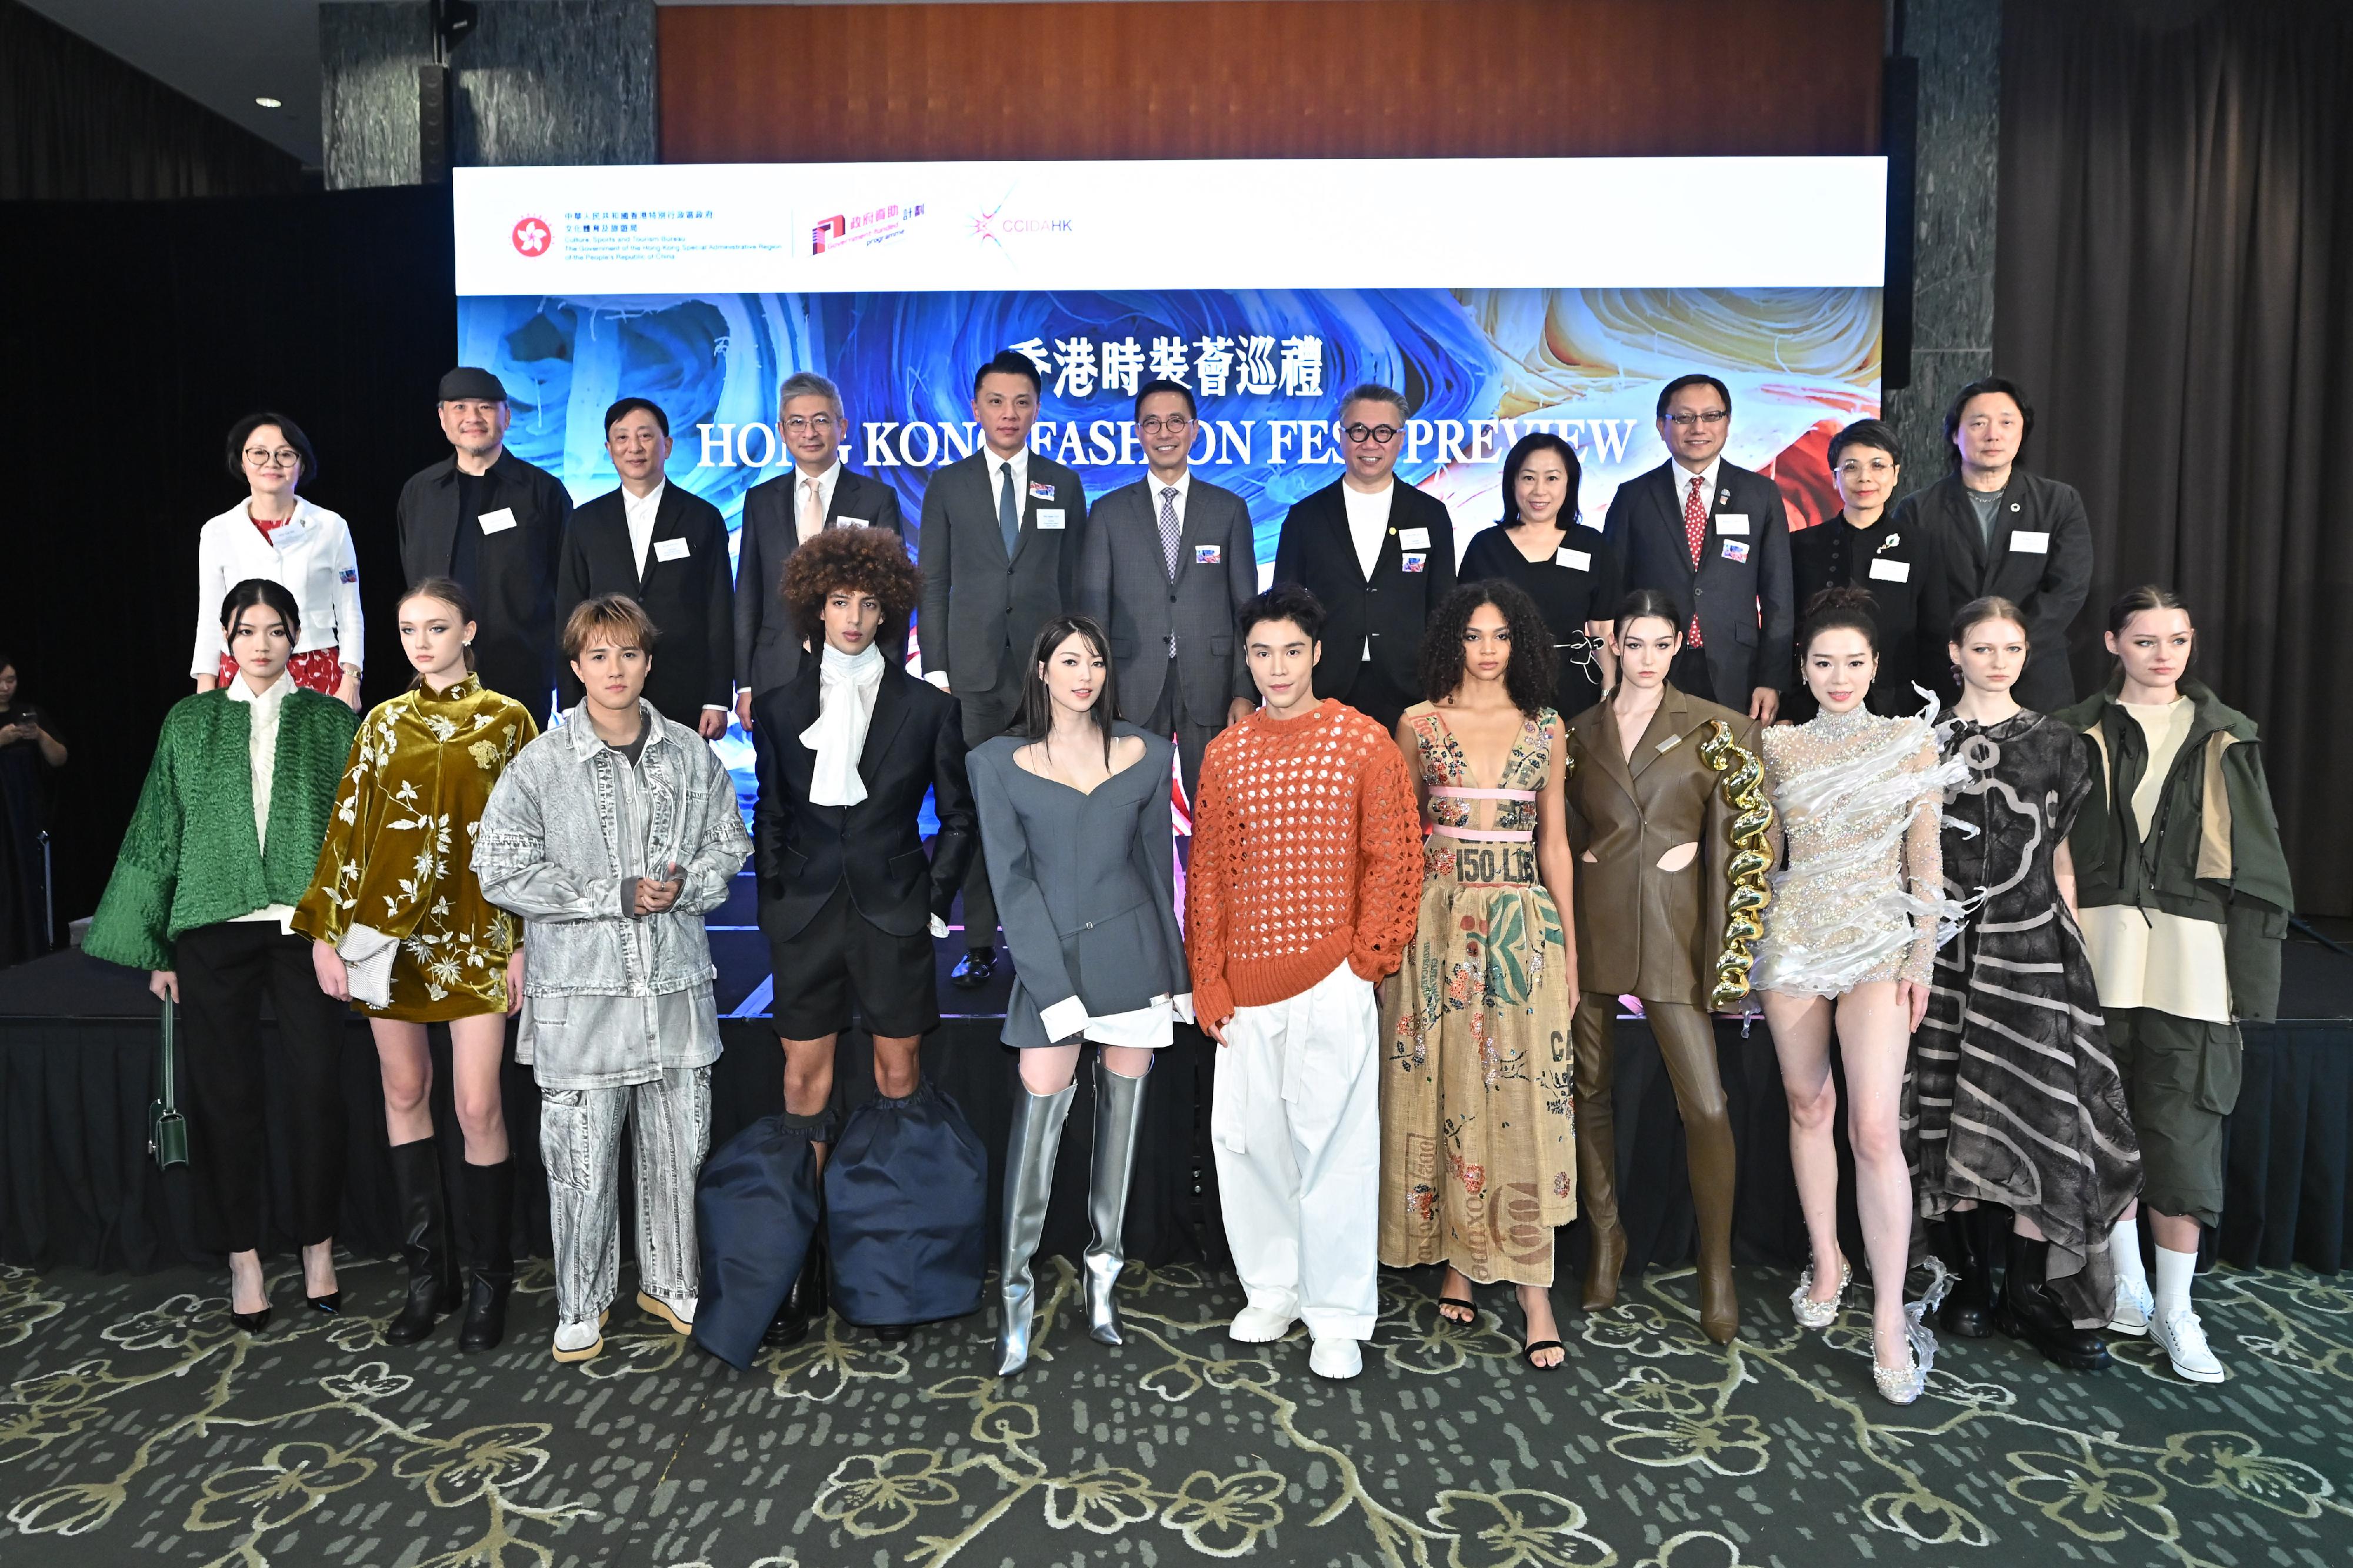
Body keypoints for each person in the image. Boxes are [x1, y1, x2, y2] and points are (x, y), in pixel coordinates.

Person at [475, 594, 752, 1364]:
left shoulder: (691, 756)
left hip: (674, 991)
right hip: (582, 998)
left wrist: (687, 882)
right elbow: (498, 867)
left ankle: (672, 1279)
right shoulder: (542, 761)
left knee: (681, 1148)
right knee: (581, 1160)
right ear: (575, 668)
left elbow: (732, 844)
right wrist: (610, 895)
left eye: (629, 653)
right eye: (598, 655)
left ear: (649, 662)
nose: (615, 668)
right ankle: (581, 1299)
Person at [84, 580, 359, 1329]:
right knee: (227, 1099)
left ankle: (317, 1248)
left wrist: (342, 928)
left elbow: (353, 833)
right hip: (211, 928)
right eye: (247, 630)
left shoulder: (332, 720)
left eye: (276, 629)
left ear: (297, 637)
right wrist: (157, 944)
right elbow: (158, 827)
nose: (262, 644)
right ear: (227, 640)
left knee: (315, 1093)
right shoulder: (190, 720)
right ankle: (242, 1258)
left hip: (304, 931)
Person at [296, 577, 539, 1353]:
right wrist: (324, 932)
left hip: (477, 933)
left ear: (469, 628)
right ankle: (430, 1279)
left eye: (438, 626)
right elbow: (350, 827)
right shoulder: (381, 721)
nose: (423, 641)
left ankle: (490, 1279)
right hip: (386, 934)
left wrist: (530, 939)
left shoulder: (510, 720)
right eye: (408, 629)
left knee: (477, 1105)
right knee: (404, 1089)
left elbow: (539, 833)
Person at [2056, 586, 2292, 1384]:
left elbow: (2261, 876)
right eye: (2147, 639)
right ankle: (2124, 1282)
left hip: (2193, 965)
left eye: (2178, 639)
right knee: (2106, 1129)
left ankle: (2176, 1309)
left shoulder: (2227, 738)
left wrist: (2251, 989)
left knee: (2184, 1137)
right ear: (2112, 643)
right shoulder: (2073, 730)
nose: (2164, 655)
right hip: (2097, 954)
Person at [1187, 584, 1421, 1380]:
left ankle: (1338, 1313)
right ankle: (1275, 1288)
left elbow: (1394, 857)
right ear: (1244, 658)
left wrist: (1365, 959)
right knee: (1249, 1147)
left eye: (1291, 651)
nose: (1277, 668)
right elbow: (1210, 873)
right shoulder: (1227, 752)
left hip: (1331, 975)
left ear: (1317, 653)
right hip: (1246, 985)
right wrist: (1208, 979)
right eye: (1261, 652)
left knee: (1336, 1151)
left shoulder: (1363, 743)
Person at [752, 526, 980, 1345]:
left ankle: (891, 1269)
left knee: (896, 1076)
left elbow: (959, 816)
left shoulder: (930, 707)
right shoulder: (778, 706)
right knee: (803, 1088)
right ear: (817, 605)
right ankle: (797, 1275)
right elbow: (772, 810)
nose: (853, 616)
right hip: (805, 918)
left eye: (869, 602)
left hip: (893, 914)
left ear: (891, 610)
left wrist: (934, 903)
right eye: (840, 601)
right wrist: (775, 894)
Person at [1910, 596, 2140, 1374]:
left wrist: (2070, 946)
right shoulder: (1922, 743)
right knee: (1949, 1103)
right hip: (1942, 952)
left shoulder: (2059, 744)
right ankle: (1971, 1276)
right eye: (1983, 646)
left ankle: (2025, 1288)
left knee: (2034, 1106)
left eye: (2011, 646)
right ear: (1955, 652)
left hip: (2031, 950)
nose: (1998, 659)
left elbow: (2062, 858)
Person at [1751, 588, 1967, 1403]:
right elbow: (1765, 858)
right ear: (1802, 670)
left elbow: (1927, 862)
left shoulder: (1910, 741)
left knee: (1874, 1126)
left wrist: (1921, 961)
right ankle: (1828, 1255)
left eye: (1853, 662)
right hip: (1797, 939)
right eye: (1822, 663)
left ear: (1876, 667)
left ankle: (1886, 1315)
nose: (1838, 676)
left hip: (1880, 941)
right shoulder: (1779, 747)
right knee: (1808, 1105)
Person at [969, 615, 1190, 1374]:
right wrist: (1050, 985)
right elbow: (1011, 883)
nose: (1084, 673)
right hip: (1048, 966)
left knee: (1120, 1137)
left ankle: (1105, 1282)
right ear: (1040, 670)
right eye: (1068, 660)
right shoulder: (995, 761)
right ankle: (1017, 1298)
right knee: (1037, 1128)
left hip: (1132, 957)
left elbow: (1159, 872)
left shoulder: (1148, 752)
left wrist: (1179, 975)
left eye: (1095, 659)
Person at [1378, 581, 1579, 1371]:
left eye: (1501, 635)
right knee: (1450, 1085)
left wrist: (1570, 949)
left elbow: (1555, 843)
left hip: (1523, 929)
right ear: (1451, 642)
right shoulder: (1420, 724)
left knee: (1525, 1094)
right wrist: (1391, 943)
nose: (1488, 649)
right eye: (1473, 634)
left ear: (1520, 642)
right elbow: (1398, 840)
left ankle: (1535, 1286)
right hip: (1437, 925)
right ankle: (1456, 1259)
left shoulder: (1548, 727)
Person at [1561, 588, 1765, 1345]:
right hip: (1595, 922)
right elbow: (1566, 826)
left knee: (1705, 1104)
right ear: (1611, 643)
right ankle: (1606, 1238)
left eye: (1657, 643)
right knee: (1590, 1088)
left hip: (1675, 932)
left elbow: (1756, 836)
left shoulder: (1718, 725)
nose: (1643, 658)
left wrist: (1695, 858)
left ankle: (1717, 1267)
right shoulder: (1577, 732)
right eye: (1631, 643)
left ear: (1678, 644)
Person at [918, 349, 1089, 990]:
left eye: (1021, 401)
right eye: (996, 401)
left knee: (1053, 813)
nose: (1009, 413)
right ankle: (982, 941)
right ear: (976, 408)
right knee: (983, 812)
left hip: (1046, 681)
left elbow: (1075, 585)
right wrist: (936, 669)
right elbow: (932, 584)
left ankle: (1054, 942)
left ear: (1037, 408)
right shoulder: (949, 484)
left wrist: (1078, 672)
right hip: (972, 679)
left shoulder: (1063, 482)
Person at [1074, 378, 1259, 805]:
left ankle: (1212, 878)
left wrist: (1245, 690)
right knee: (1136, 811)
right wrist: (1097, 692)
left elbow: (1245, 611)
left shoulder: (1229, 509)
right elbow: (1093, 612)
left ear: (1195, 430)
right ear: (1138, 433)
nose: (1164, 433)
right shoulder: (1108, 512)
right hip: (1130, 686)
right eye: (1152, 423)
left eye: (1176, 421)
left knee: (1218, 812)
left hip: (1213, 687)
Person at [1889, 378, 2092, 713]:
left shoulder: (2058, 502)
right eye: (1979, 423)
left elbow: (2067, 590)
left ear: (2022, 432)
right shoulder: (1918, 509)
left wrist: (2016, 650)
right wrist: (1962, 653)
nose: (1993, 434)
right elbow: (1907, 598)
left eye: (2006, 422)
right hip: (1946, 678)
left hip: (2035, 676)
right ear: (1955, 434)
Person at [1600, 375, 1793, 723]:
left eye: (1711, 416)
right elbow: (1615, 592)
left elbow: (1779, 596)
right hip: (1654, 665)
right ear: (1662, 426)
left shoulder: (1760, 494)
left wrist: (1772, 679)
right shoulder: (1633, 497)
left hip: (1737, 668)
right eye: (1684, 417)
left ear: (1728, 423)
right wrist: (1614, 674)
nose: (1698, 427)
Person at [1271, 383, 1457, 731]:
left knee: (1403, 786)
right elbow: (1285, 610)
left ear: (1401, 439)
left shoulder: (1429, 515)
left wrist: (1444, 682)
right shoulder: (1306, 517)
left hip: (1409, 688)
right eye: (1358, 431)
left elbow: (1445, 607)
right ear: (1341, 437)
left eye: (1383, 432)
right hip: (1325, 687)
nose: (1370, 443)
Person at [395, 367, 575, 720]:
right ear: (442, 418)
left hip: (521, 674)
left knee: (523, 774)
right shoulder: (420, 492)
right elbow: (411, 579)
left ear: (506, 417)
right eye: (460, 407)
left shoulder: (543, 492)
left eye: (486, 408)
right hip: (438, 672)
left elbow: (569, 587)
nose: (473, 418)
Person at [734, 370, 909, 728]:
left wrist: (890, 679)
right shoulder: (761, 500)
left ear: (842, 427)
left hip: (854, 667)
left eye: (821, 421)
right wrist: (745, 684)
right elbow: (749, 594)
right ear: (782, 432)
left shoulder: (877, 499)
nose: (809, 433)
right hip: (776, 669)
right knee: (778, 780)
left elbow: (894, 598)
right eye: (797, 422)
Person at [555, 398, 733, 736]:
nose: (634, 448)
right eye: (622, 438)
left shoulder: (702, 518)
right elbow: (568, 611)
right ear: (609, 449)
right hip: (606, 689)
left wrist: (717, 698)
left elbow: (720, 610)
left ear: (666, 445)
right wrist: (568, 698)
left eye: (645, 436)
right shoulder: (585, 521)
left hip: (684, 690)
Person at [191, 413, 364, 709]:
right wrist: (206, 684)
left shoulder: (331, 526)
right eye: (259, 453)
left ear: (302, 464)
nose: (271, 463)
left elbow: (350, 609)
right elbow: (209, 616)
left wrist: (351, 677)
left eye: (285, 454)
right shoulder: (217, 531)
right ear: (242, 461)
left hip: (315, 667)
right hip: (242, 671)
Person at [1785, 419, 1948, 718]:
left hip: (1898, 705)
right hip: (1812, 702)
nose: (1864, 478)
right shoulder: (1800, 545)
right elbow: (1784, 629)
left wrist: (1939, 707)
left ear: (1896, 474)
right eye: (1851, 467)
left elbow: (1934, 634)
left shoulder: (1921, 546)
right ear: (1834, 477)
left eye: (1877, 466)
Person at [1457, 431, 1623, 718]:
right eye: (1529, 478)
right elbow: (1462, 631)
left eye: (1552, 478)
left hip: (1575, 688)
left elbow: (1602, 630)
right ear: (1512, 483)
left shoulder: (1591, 544)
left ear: (1570, 484)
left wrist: (1609, 692)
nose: (1539, 491)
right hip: (1497, 690)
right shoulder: (1485, 546)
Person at [0, 654, 67, 966]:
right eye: (0, 681)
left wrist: (39, 735)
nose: (5, 688)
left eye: (10, 680)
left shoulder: (30, 713)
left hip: (27, 814)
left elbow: (60, 759)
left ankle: (36, 950)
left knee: (32, 881)